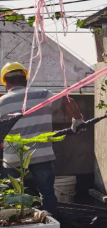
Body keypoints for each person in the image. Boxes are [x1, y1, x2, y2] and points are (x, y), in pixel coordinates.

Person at [0, 62, 84, 216]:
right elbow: (67, 99)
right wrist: (78, 120)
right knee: (47, 193)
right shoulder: (43, 94)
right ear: (25, 79)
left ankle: (16, 225)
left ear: (5, 82)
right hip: (41, 154)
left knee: (11, 194)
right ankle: (50, 225)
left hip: (12, 156)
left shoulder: (2, 102)